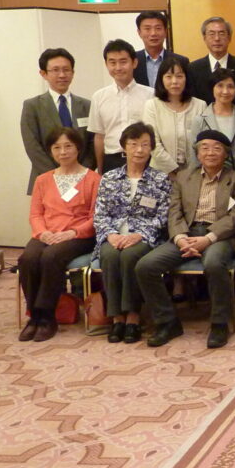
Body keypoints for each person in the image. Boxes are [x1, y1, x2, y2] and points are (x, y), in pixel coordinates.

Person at [136, 130, 235, 349]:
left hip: (219, 236)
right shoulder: (183, 177)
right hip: (187, 234)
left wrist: (208, 238)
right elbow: (174, 211)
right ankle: (167, 321)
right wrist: (180, 238)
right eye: (204, 148)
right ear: (197, 153)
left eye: (217, 148)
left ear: (226, 154)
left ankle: (219, 323)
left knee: (213, 263)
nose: (210, 153)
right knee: (146, 266)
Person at [17, 126, 100, 342]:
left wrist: (72, 233)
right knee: (27, 258)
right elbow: (36, 214)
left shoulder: (93, 179)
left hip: (79, 236)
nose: (63, 152)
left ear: (78, 148)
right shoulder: (42, 180)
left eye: (68, 146)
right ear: (51, 151)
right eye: (57, 147)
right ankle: (34, 316)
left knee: (50, 257)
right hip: (47, 233)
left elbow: (95, 217)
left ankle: (47, 318)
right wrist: (42, 233)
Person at [92, 122, 171, 344]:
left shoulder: (160, 179)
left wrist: (140, 234)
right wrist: (111, 235)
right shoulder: (109, 178)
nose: (139, 150)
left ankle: (133, 317)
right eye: (133, 144)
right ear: (123, 147)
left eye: (145, 144)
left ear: (151, 148)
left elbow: (163, 216)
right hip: (113, 235)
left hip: (144, 237)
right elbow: (100, 214)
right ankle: (117, 318)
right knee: (109, 255)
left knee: (129, 255)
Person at [21, 48, 93, 193]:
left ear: (73, 72)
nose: (62, 75)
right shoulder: (32, 106)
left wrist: (80, 174)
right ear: (43, 73)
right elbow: (32, 146)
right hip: (46, 181)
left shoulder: (87, 105)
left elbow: (92, 143)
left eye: (66, 70)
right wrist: (57, 177)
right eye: (55, 70)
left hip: (82, 182)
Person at [88, 39, 155, 174]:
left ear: (134, 63)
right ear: (106, 64)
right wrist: (100, 169)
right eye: (112, 62)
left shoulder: (151, 94)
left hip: (144, 160)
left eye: (123, 62)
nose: (118, 67)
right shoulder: (99, 97)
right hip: (112, 161)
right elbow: (99, 136)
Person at [142, 58, 207, 175]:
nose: (174, 81)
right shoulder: (152, 106)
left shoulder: (200, 105)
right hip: (160, 172)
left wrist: (190, 172)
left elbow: (203, 142)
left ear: (187, 78)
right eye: (168, 77)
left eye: (179, 76)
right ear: (161, 79)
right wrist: (173, 169)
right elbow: (153, 143)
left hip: (194, 173)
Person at [189, 68, 235, 175]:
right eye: (220, 86)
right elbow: (193, 157)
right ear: (212, 88)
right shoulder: (199, 120)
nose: (225, 91)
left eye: (230, 86)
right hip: (209, 178)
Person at [189, 16, 235, 111]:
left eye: (221, 33)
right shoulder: (193, 68)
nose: (217, 38)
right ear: (204, 38)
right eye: (212, 34)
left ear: (229, 37)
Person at [133, 10, 188, 88]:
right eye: (147, 29)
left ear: (165, 32)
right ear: (139, 32)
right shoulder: (132, 61)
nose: (153, 33)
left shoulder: (181, 61)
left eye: (158, 28)